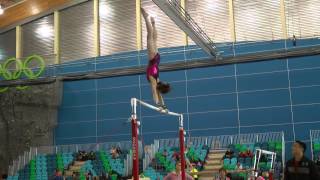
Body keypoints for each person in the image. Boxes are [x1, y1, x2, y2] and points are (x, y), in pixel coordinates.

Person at [141, 7, 171, 110]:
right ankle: (146, 18)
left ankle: (153, 22)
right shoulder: (154, 81)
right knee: (150, 37)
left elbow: (158, 94)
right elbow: (154, 92)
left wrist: (163, 106)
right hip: (153, 59)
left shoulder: (158, 80)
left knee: (154, 39)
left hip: (157, 58)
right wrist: (158, 105)